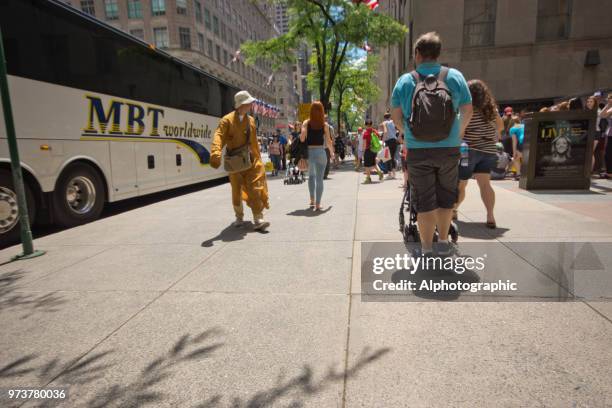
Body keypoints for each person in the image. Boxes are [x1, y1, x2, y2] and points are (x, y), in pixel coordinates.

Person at [391, 31, 473, 256]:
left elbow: (395, 113)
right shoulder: (454, 76)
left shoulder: (406, 80)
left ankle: (427, 249)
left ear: (417, 54)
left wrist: (405, 132)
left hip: (418, 150)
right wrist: (459, 132)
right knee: (446, 197)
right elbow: (467, 109)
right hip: (448, 149)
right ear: (438, 54)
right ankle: (443, 243)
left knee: (425, 201)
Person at [210, 90, 270, 230]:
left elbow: (254, 142)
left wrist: (258, 160)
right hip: (235, 162)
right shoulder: (227, 120)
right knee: (236, 190)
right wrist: (215, 152)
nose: (251, 105)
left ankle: (258, 218)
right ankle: (239, 216)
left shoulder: (251, 121)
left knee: (255, 188)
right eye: (249, 103)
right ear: (241, 105)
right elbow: (218, 136)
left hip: (250, 160)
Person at [455, 79, 504, 228]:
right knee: (485, 185)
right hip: (488, 150)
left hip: (469, 151)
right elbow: (500, 127)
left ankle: (453, 209)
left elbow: (461, 133)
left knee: (461, 184)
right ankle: (490, 216)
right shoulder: (491, 109)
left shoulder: (466, 109)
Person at [300, 102, 334, 211]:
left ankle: (312, 200)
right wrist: (332, 153)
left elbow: (301, 138)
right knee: (319, 179)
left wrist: (303, 130)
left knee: (311, 177)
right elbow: (328, 142)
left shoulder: (306, 122)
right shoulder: (325, 125)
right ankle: (318, 204)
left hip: (309, 153)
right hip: (321, 152)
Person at [362, 118, 384, 184]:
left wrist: (363, 152)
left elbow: (364, 144)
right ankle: (380, 172)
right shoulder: (375, 131)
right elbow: (379, 139)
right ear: (371, 124)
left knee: (367, 165)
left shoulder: (365, 133)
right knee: (373, 163)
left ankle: (368, 178)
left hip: (368, 150)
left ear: (365, 125)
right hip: (375, 150)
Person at [381, 112, 399, 179]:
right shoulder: (393, 122)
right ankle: (394, 174)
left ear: (384, 117)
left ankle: (389, 174)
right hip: (394, 141)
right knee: (393, 157)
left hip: (388, 141)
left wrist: (382, 141)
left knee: (387, 157)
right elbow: (398, 129)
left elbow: (385, 132)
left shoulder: (385, 123)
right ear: (390, 117)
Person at [598, 93, 612, 178]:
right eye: (608, 99)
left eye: (609, 98)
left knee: (608, 153)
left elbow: (603, 115)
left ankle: (609, 173)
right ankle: (609, 172)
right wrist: (608, 105)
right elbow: (601, 115)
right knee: (608, 153)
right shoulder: (610, 107)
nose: (608, 100)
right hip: (610, 133)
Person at [509, 116, 525, 180]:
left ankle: (518, 174)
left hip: (522, 141)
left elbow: (514, 142)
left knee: (516, 158)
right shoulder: (524, 125)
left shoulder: (513, 128)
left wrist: (514, 152)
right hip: (530, 141)